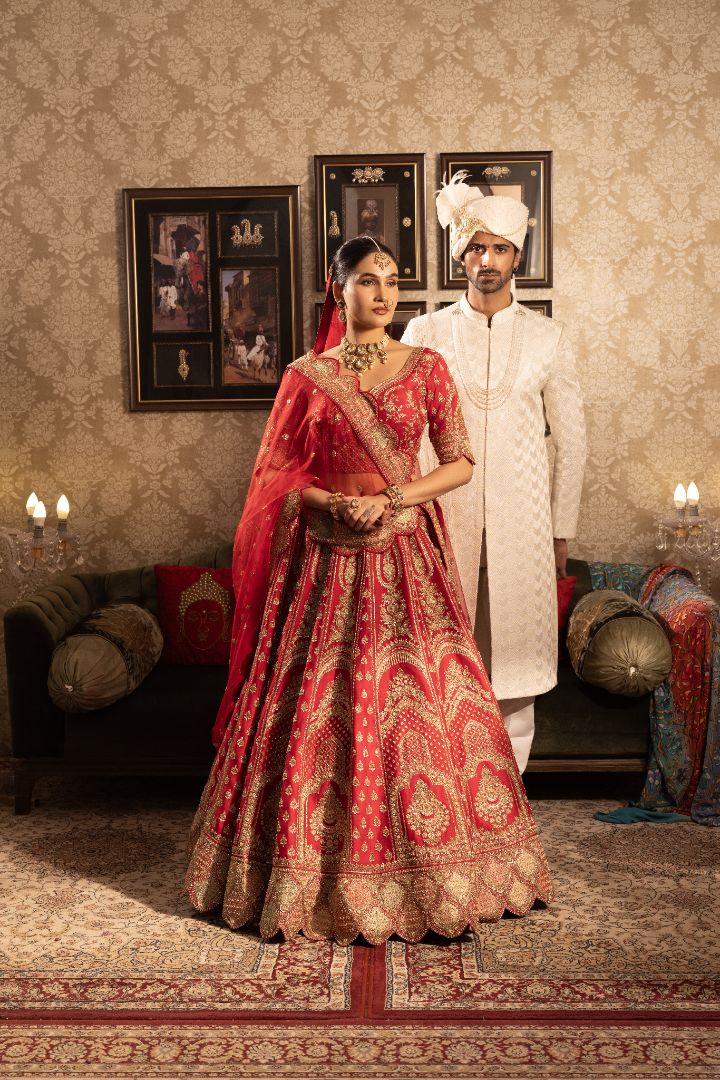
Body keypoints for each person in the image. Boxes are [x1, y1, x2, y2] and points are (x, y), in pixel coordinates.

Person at [185, 235, 552, 945]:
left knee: (418, 707)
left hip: (407, 555)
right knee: (319, 708)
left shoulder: (426, 367)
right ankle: (306, 876)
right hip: (325, 562)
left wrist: (391, 498)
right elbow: (277, 479)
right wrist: (329, 502)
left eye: (391, 279)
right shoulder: (307, 376)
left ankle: (444, 873)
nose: (382, 293)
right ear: (338, 289)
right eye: (365, 279)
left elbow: (459, 462)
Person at [402, 174, 586, 773]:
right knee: (439, 662)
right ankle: (450, 798)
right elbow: (403, 430)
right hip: (441, 518)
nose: (488, 260)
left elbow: (573, 442)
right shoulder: (426, 332)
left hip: (523, 522)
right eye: (477, 248)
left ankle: (507, 801)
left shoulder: (547, 337)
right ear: (461, 255)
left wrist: (561, 531)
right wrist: (405, 513)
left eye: (500, 249)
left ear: (516, 258)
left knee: (516, 669)